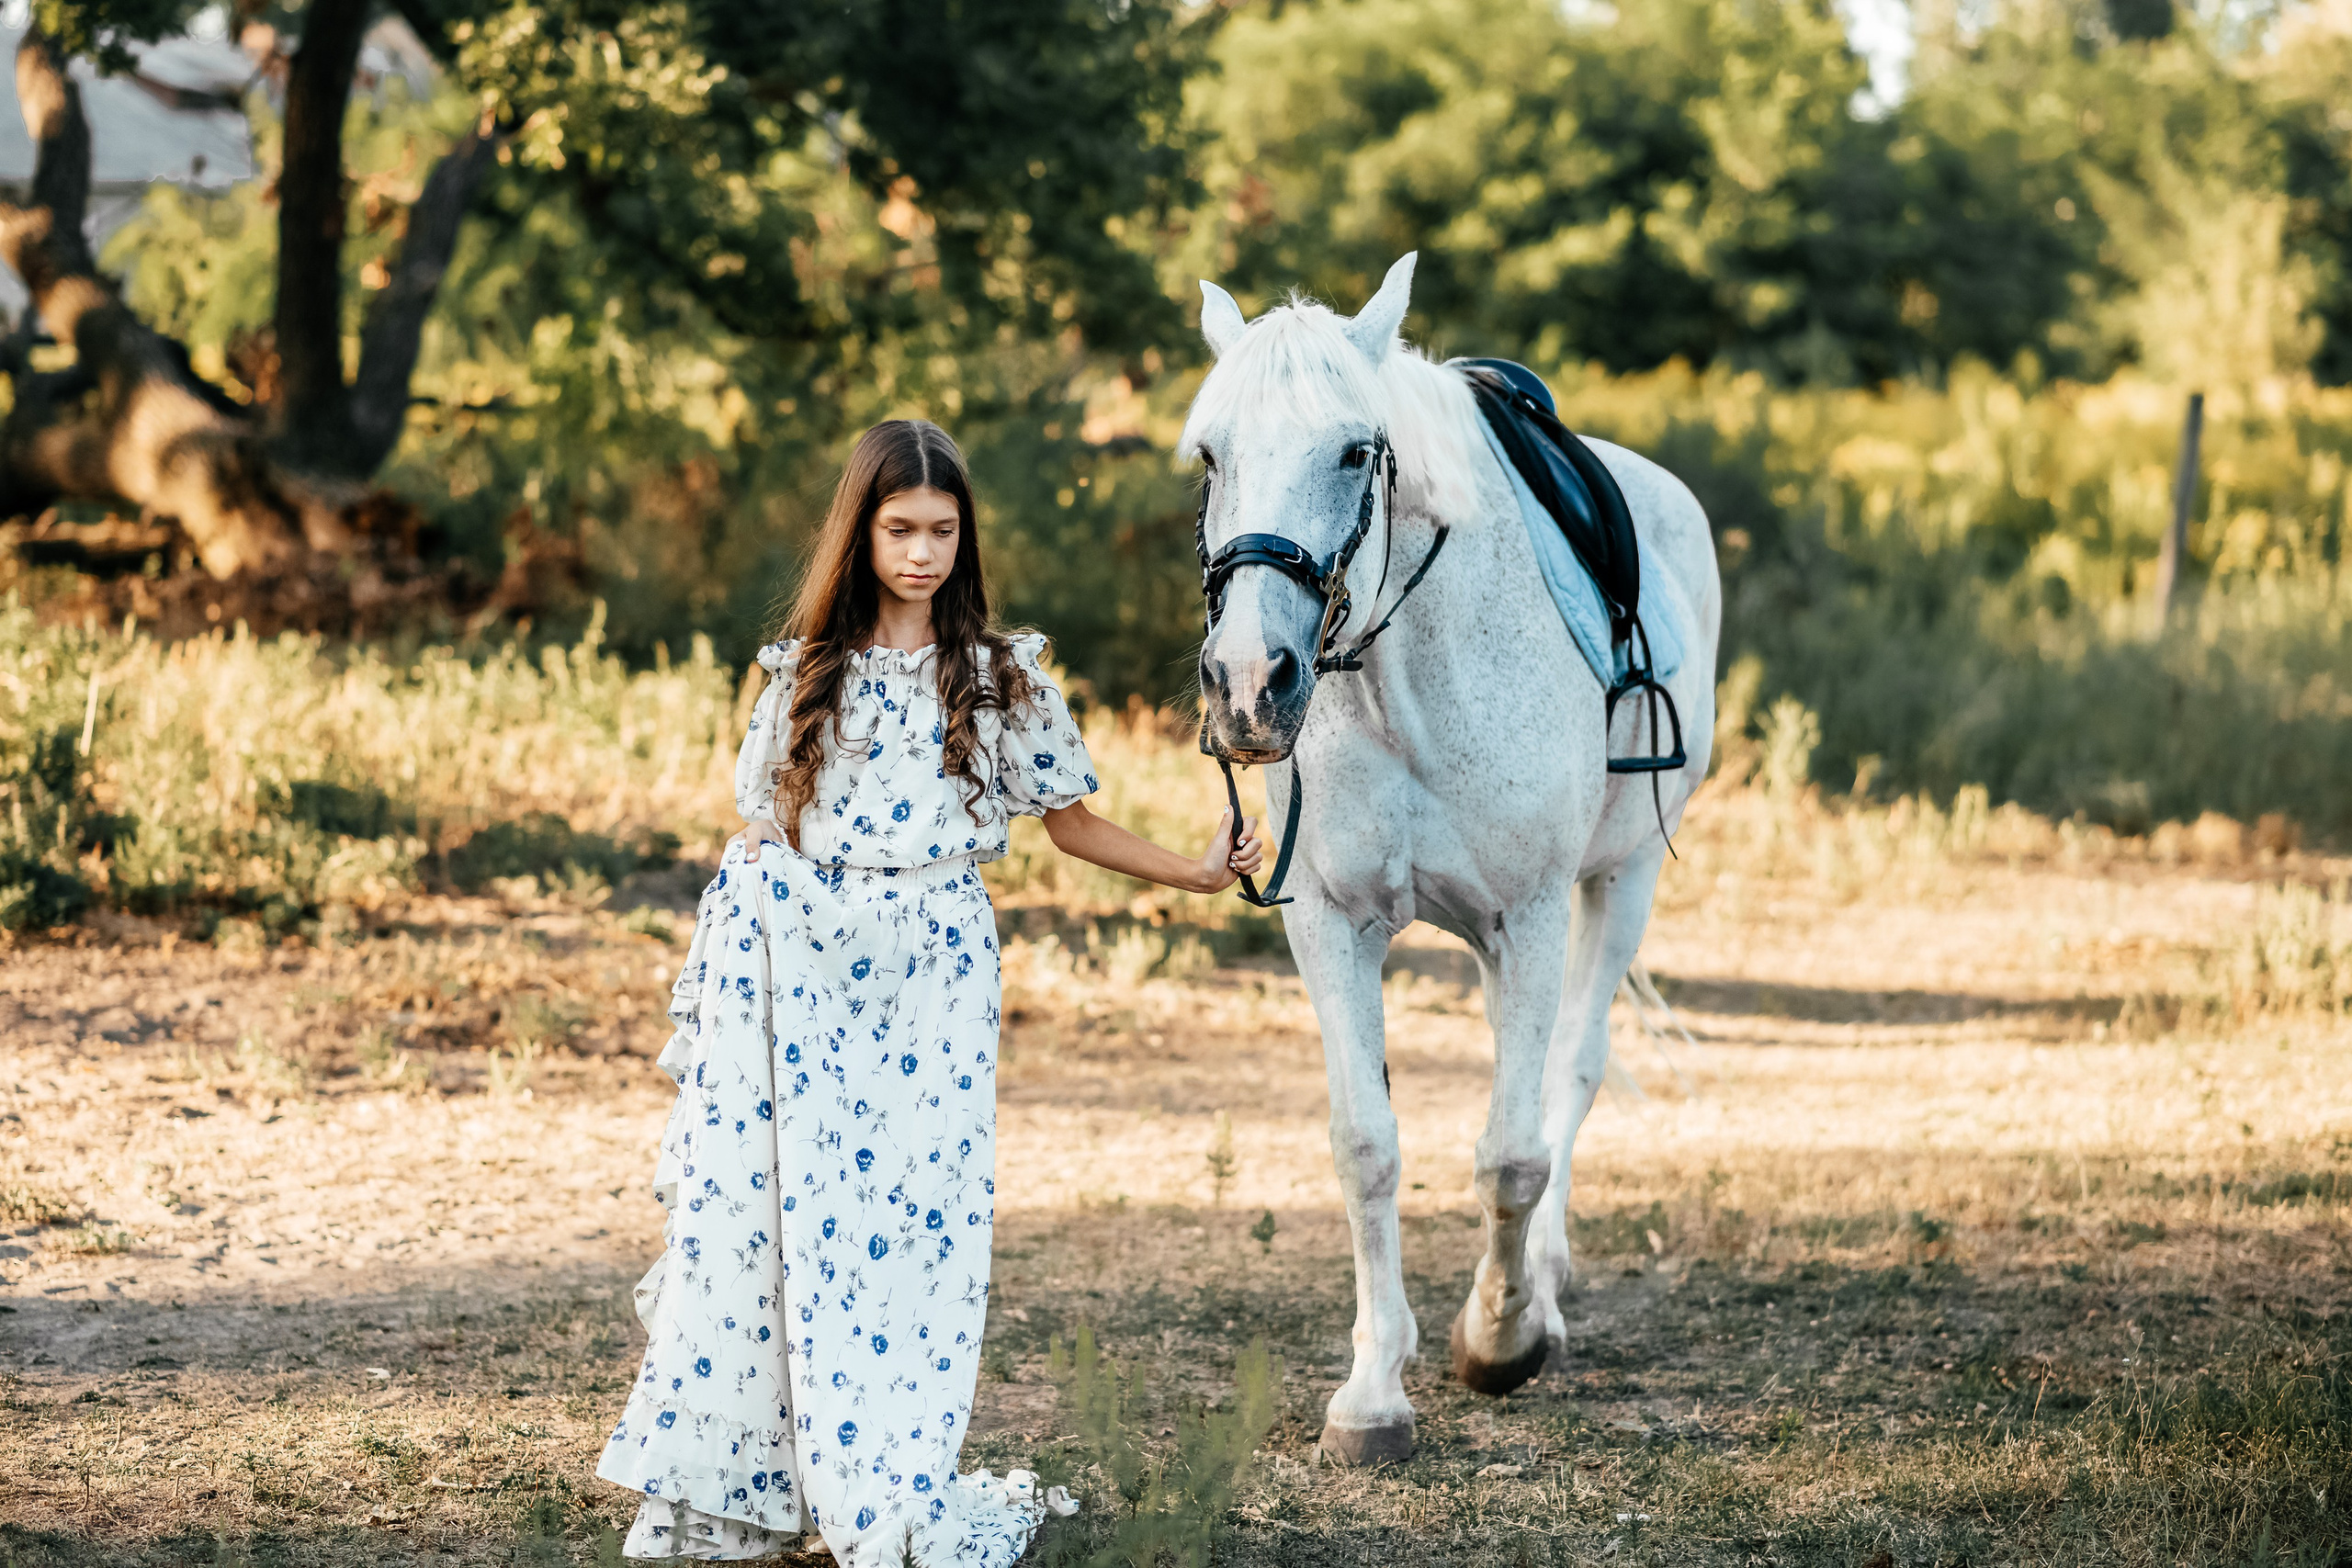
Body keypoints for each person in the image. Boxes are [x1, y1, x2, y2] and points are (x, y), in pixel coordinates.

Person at [597, 419, 1261, 1564]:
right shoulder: (803, 674)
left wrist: (1197, 873)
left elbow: (1071, 824)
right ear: (859, 533)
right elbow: (767, 827)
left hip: (938, 976)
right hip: (810, 976)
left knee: (918, 1228)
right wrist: (755, 880)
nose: (921, 553)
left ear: (965, 536)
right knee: (797, 1221)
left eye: (942, 531)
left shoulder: (1003, 677)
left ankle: (887, 1478)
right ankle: (776, 1482)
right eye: (899, 529)